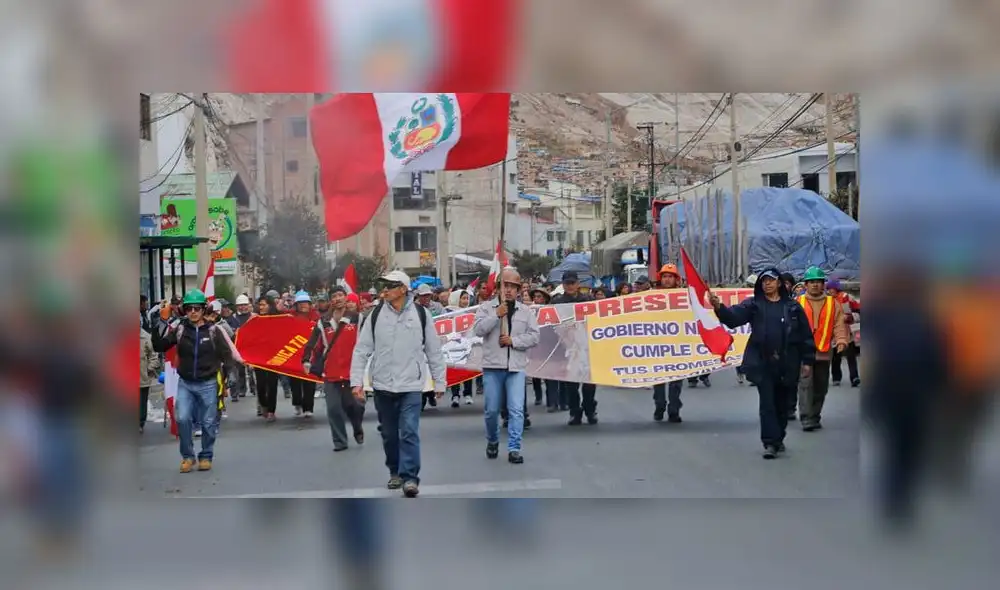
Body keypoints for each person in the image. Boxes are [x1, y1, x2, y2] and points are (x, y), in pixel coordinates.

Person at [350, 270, 447, 498]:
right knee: (389, 433)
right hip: (383, 385)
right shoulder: (374, 316)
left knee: (409, 431)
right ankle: (395, 470)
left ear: (403, 289)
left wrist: (439, 381)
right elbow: (362, 350)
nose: (385, 290)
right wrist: (356, 382)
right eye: (383, 285)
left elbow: (433, 350)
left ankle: (410, 477)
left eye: (390, 285)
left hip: (412, 386)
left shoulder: (421, 315)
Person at [708, 269, 815, 459]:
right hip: (763, 363)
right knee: (767, 404)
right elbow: (733, 318)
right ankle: (770, 443)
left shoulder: (792, 307)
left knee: (783, 405)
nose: (767, 284)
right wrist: (719, 307)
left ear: (779, 283)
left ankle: (778, 437)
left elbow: (804, 335)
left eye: (771, 280)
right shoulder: (754, 305)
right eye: (764, 281)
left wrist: (807, 361)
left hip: (787, 363)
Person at [152, 289, 243, 473]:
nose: (193, 312)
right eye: (189, 309)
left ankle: (206, 456)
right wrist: (158, 321)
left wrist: (231, 376)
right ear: (184, 310)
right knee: (183, 419)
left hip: (209, 383)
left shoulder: (214, 331)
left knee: (209, 423)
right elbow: (159, 346)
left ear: (204, 309)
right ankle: (187, 456)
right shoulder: (179, 329)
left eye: (197, 308)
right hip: (185, 383)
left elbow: (227, 356)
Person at [473, 268, 540, 463]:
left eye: (513, 287)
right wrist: (496, 314)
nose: (509, 290)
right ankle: (492, 440)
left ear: (518, 290)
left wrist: (514, 341)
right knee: (491, 410)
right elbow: (478, 330)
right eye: (506, 286)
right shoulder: (486, 308)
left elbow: (535, 336)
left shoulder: (526, 312)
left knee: (516, 409)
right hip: (493, 367)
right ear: (499, 288)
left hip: (515, 368)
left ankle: (514, 448)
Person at [304, 286, 366, 451]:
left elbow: (369, 341)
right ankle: (340, 441)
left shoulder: (357, 318)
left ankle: (357, 426)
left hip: (352, 371)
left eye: (340, 295)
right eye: (334, 296)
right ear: (331, 300)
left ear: (346, 298)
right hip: (331, 372)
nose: (337, 299)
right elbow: (312, 343)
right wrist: (306, 360)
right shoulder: (323, 321)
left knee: (354, 406)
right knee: (333, 408)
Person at [796, 267, 849, 431]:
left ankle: (815, 415)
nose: (815, 285)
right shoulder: (798, 303)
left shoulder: (833, 303)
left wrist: (841, 339)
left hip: (824, 352)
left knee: (821, 387)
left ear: (823, 284)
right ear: (806, 285)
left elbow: (839, 324)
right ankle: (806, 418)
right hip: (804, 353)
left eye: (818, 282)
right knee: (805, 385)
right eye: (812, 282)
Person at [550, 271, 597, 425]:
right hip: (567, 347)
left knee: (589, 382)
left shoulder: (588, 300)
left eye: (572, 283)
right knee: (571, 384)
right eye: (567, 283)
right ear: (563, 285)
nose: (570, 286)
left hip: (587, 346)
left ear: (578, 284)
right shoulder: (557, 302)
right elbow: (551, 325)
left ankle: (590, 410)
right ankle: (575, 412)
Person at [652, 264, 685, 423]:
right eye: (664, 276)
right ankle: (659, 405)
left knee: (676, 380)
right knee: (658, 379)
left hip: (677, 345)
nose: (667, 279)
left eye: (670, 276)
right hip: (657, 346)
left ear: (676, 279)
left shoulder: (684, 297)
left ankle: (674, 409)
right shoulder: (651, 297)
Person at [529, 287, 560, 411]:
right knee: (536, 373)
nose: (537, 299)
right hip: (535, 346)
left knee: (551, 375)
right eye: (535, 297)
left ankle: (552, 401)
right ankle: (538, 395)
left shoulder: (551, 311)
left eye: (540, 297)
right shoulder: (530, 312)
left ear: (545, 299)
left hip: (549, 345)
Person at [826, 279, 861, 387]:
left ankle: (854, 377)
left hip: (847, 330)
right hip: (834, 332)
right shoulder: (827, 300)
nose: (830, 291)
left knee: (851, 355)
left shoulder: (847, 297)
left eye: (832, 288)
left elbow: (859, 311)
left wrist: (850, 317)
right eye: (829, 289)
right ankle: (836, 377)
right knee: (836, 356)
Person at [289, 290, 319, 417]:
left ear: (309, 304)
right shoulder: (290, 317)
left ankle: (308, 408)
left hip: (310, 353)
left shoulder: (316, 317)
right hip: (293, 352)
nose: (303, 305)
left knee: (309, 380)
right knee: (294, 381)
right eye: (300, 303)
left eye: (305, 303)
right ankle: (297, 402)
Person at [255, 296, 282, 421]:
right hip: (259, 357)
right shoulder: (255, 319)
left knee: (272, 384)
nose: (261, 307)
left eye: (264, 304)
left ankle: (271, 410)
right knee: (260, 384)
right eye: (260, 305)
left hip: (274, 357)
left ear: (270, 305)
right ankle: (264, 404)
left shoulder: (278, 319)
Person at [447, 290, 476, 407]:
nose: (465, 301)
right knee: (455, 369)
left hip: (466, 344)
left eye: (467, 299)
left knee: (467, 369)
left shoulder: (469, 312)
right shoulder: (448, 312)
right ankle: (455, 395)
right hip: (453, 346)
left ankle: (468, 394)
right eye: (463, 298)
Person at [139, 324, 161, 434]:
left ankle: (140, 423)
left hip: (141, 376)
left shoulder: (145, 337)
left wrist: (148, 369)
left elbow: (154, 356)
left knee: (141, 401)